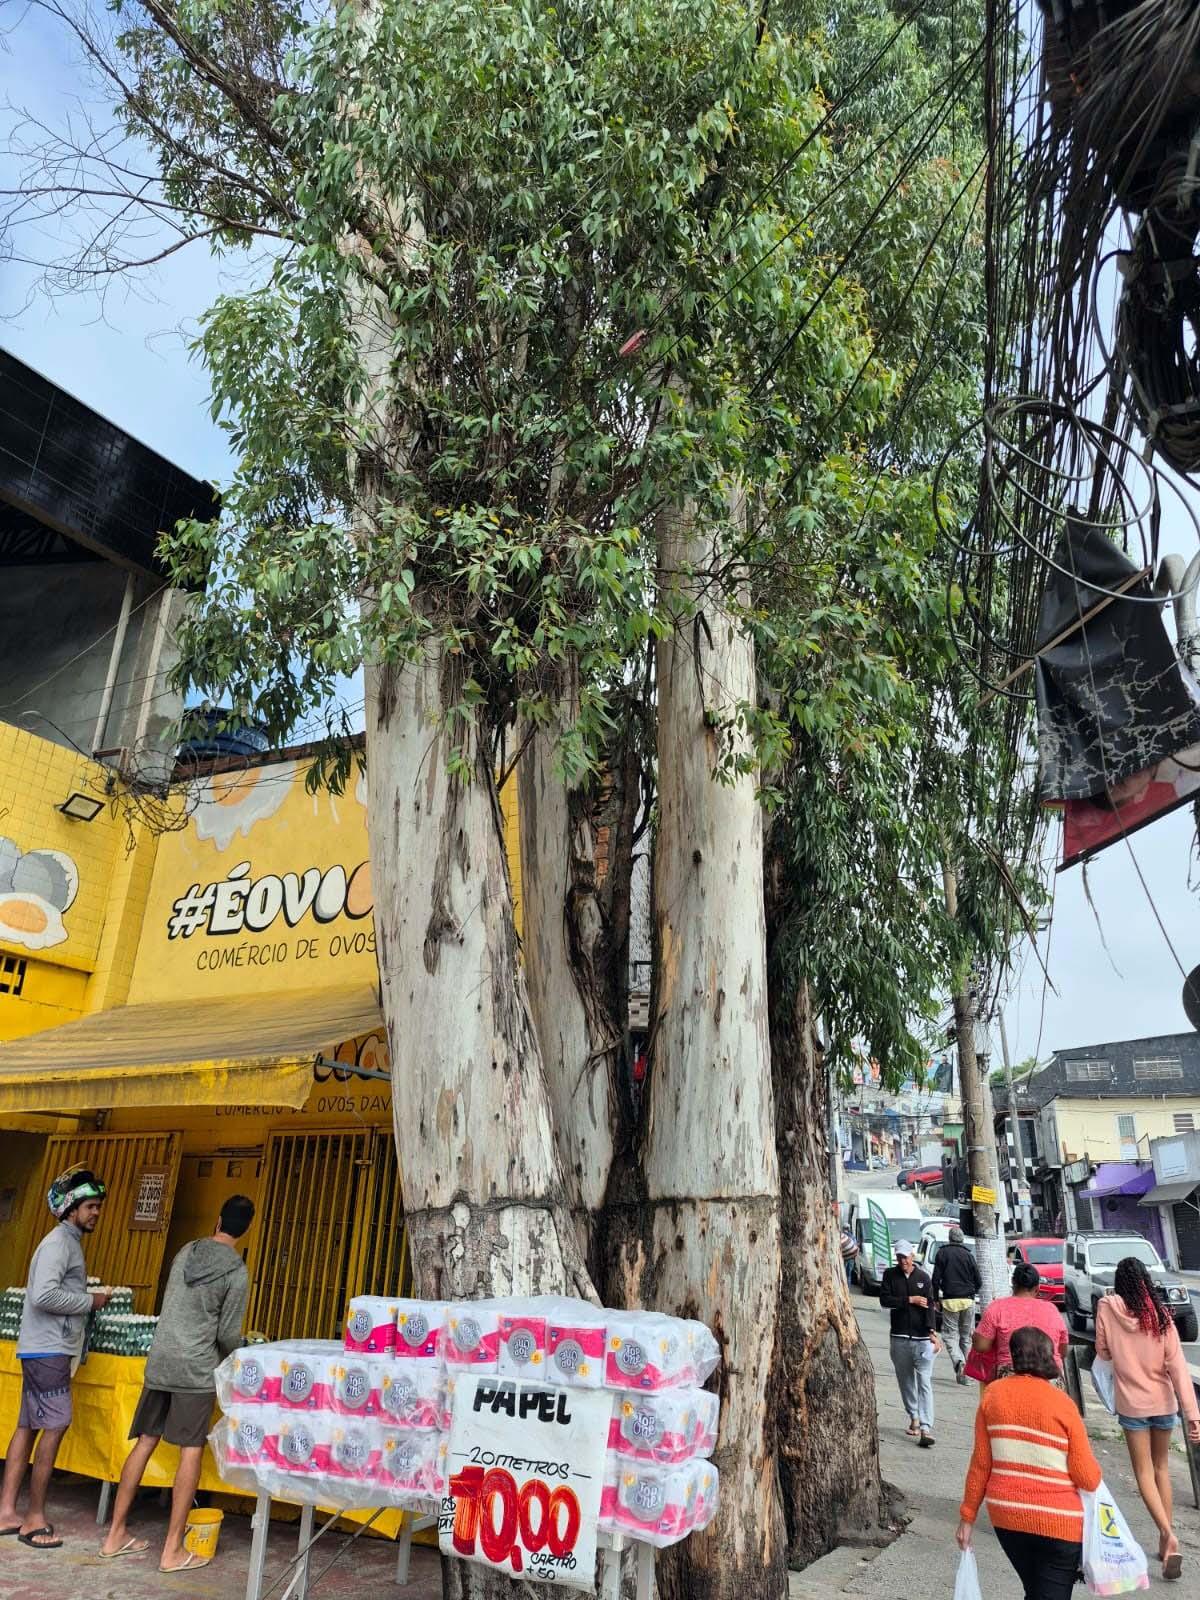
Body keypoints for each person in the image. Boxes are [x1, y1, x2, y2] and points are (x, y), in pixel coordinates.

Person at [100, 1195, 255, 1572]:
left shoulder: (186, 1251)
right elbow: (227, 1334)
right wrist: (244, 1349)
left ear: (217, 1221)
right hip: (194, 1369)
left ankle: (115, 1535)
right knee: (190, 1451)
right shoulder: (236, 1272)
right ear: (246, 1230)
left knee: (145, 1442)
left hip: (160, 1359)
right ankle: (171, 1551)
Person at [0, 1167, 109, 1549]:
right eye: (91, 1206)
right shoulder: (60, 1244)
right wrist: (90, 1300)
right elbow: (43, 1295)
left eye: (98, 1206)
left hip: (40, 1347)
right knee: (55, 1426)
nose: (96, 1213)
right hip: (49, 1350)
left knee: (28, 1426)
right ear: (71, 1208)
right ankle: (33, 1519)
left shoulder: (64, 1242)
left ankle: (7, 1511)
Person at [957, 1325, 1102, 1600]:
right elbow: (1087, 1478)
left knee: (1035, 1590)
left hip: (1008, 1518)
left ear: (1013, 1356)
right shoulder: (1063, 1404)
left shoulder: (993, 1395)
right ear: (1049, 1356)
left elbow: (980, 1464)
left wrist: (967, 1518)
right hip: (1059, 1523)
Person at [1096, 1256, 1200, 1582]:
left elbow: (1103, 1352)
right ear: (1146, 1281)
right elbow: (1178, 1368)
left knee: (1143, 1472)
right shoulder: (1161, 1315)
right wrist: (1193, 1414)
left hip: (1132, 1406)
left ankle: (1168, 1534)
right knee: (1161, 1469)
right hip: (1164, 1403)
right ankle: (1165, 1544)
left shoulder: (1106, 1308)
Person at [880, 1238, 941, 1448]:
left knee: (924, 1381)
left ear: (912, 1256)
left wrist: (932, 1332)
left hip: (922, 1338)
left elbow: (930, 1306)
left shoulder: (924, 1277)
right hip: (899, 1338)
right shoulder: (890, 1275)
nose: (902, 1261)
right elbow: (885, 1300)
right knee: (906, 1381)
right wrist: (908, 1300)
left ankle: (926, 1427)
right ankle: (914, 1415)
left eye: (905, 1257)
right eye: (899, 1257)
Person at [973, 1261, 1068, 1378]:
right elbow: (1062, 1351)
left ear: (1013, 1283)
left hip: (1011, 1375)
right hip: (1050, 1376)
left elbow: (981, 1346)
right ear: (1037, 1288)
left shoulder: (997, 1307)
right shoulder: (1051, 1309)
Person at [932, 1225, 981, 1385]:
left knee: (950, 1335)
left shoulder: (942, 1253)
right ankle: (966, 1377)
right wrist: (972, 1292)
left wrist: (936, 1299)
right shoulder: (968, 1255)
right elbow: (979, 1281)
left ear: (949, 1238)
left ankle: (959, 1361)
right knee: (966, 1338)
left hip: (950, 1301)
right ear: (962, 1239)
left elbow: (935, 1280)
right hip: (968, 1301)